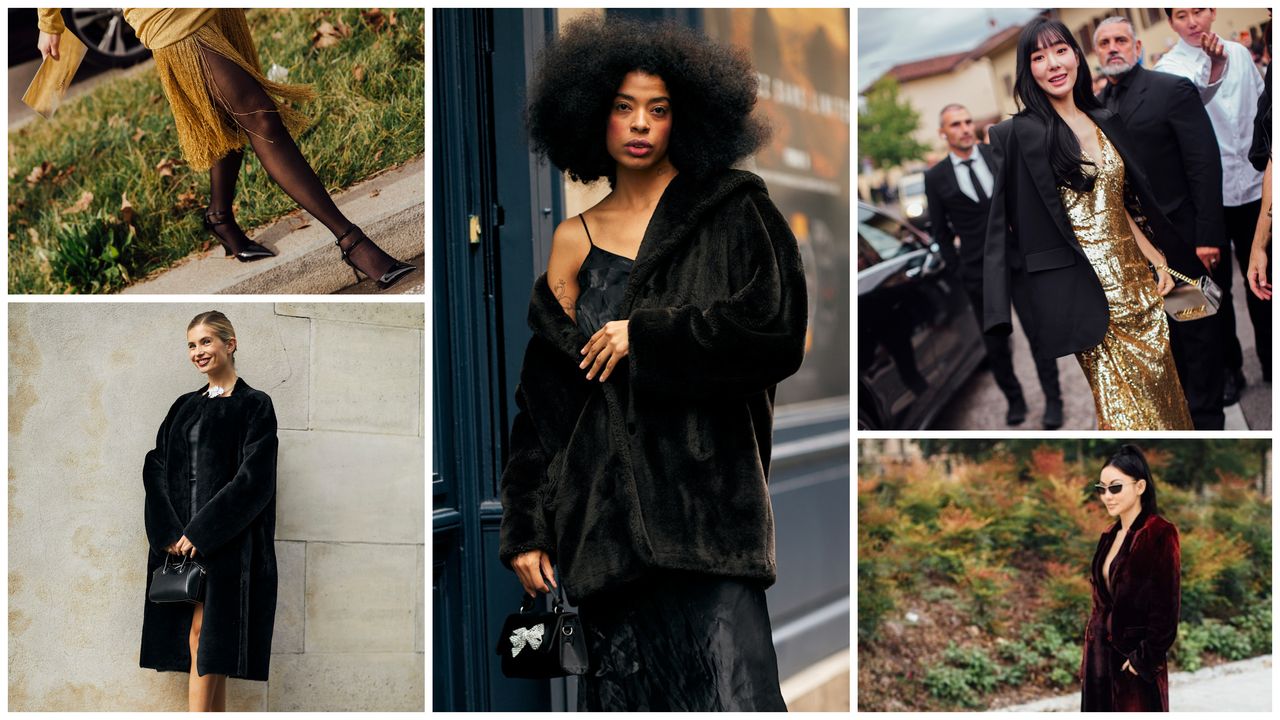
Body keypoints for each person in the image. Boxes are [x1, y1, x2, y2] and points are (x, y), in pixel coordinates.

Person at [498, 16, 807, 711]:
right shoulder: (571, 240)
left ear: (685, 120)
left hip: (711, 523)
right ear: (591, 116)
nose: (640, 124)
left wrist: (651, 337)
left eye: (659, 110)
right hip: (606, 542)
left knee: (738, 700)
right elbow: (544, 406)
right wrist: (527, 526)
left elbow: (778, 335)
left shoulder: (733, 209)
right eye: (623, 106)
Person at [36, 9, 413, 288]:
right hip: (167, 13)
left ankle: (218, 217)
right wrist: (49, 20)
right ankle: (351, 241)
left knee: (226, 117)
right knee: (261, 118)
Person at [984, 17, 1198, 430]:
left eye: (1060, 50)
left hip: (1140, 287)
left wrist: (1157, 257)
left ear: (1077, 56)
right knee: (1123, 415)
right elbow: (1000, 226)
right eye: (1038, 56)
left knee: (1169, 401)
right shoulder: (1016, 135)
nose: (1053, 64)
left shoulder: (1106, 118)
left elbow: (1118, 203)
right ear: (1028, 70)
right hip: (1087, 298)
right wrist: (996, 310)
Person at [1094, 16, 1228, 429]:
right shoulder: (1095, 108)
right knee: (1164, 349)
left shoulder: (1171, 91)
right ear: (1096, 54)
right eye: (1104, 43)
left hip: (1183, 242)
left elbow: (1203, 165)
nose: (1113, 47)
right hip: (1134, 254)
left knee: (1198, 341)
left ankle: (1208, 426)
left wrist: (1207, 236)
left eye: (1121, 39)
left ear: (1137, 46)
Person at [141, 311, 279, 711]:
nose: (197, 352)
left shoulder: (255, 405)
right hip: (179, 544)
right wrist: (170, 531)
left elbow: (254, 480)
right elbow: (156, 465)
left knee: (207, 637)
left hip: (227, 543)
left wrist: (203, 531)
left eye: (205, 342)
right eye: (191, 344)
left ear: (229, 344)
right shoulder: (183, 406)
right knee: (201, 641)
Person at [1155, 8, 1270, 398]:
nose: (1192, 22)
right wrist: (1214, 66)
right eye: (1181, 15)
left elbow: (1262, 110)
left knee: (1263, 279)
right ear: (1171, 23)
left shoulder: (1239, 53)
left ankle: (1271, 359)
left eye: (1198, 10)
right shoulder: (1168, 70)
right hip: (1211, 197)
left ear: (1213, 12)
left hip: (1255, 186)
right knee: (1212, 292)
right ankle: (1228, 370)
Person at [926, 103, 1063, 428]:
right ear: (942, 133)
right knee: (996, 346)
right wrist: (958, 269)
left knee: (1040, 335)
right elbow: (941, 233)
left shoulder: (995, 154)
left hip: (1018, 262)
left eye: (968, 121)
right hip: (978, 273)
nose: (965, 128)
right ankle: (1014, 400)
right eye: (955, 124)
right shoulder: (936, 177)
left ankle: (1054, 399)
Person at [1081, 445, 1180, 712]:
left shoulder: (1159, 533)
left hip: (1132, 664)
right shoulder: (1110, 534)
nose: (1107, 496)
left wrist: (1143, 660)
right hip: (1098, 661)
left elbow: (1167, 609)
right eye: (1101, 488)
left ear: (1139, 487)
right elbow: (1103, 601)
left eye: (1115, 487)